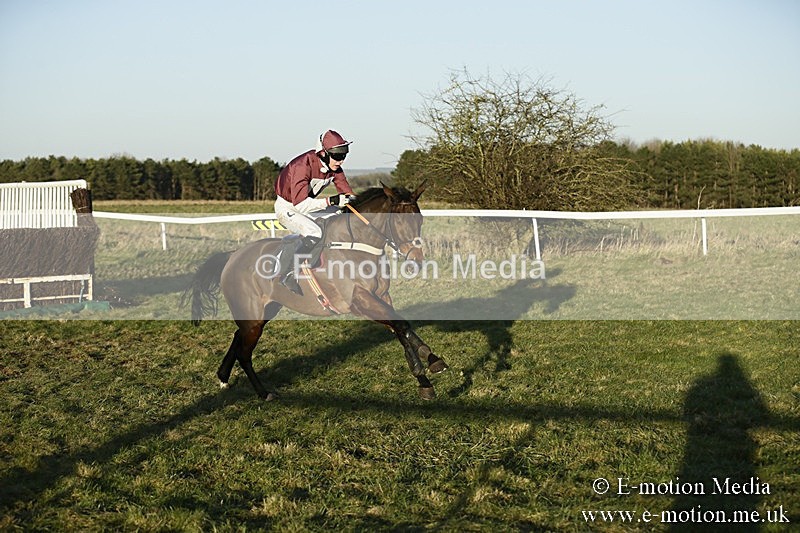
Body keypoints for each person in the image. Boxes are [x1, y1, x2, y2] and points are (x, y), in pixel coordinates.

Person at [273, 129, 356, 295]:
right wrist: (331, 201)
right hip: (288, 207)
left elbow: (348, 195)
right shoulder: (301, 166)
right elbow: (301, 205)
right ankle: (288, 273)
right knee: (315, 231)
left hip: (306, 205)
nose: (341, 161)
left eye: (344, 155)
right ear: (323, 153)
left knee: (339, 218)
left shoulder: (335, 168)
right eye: (338, 156)